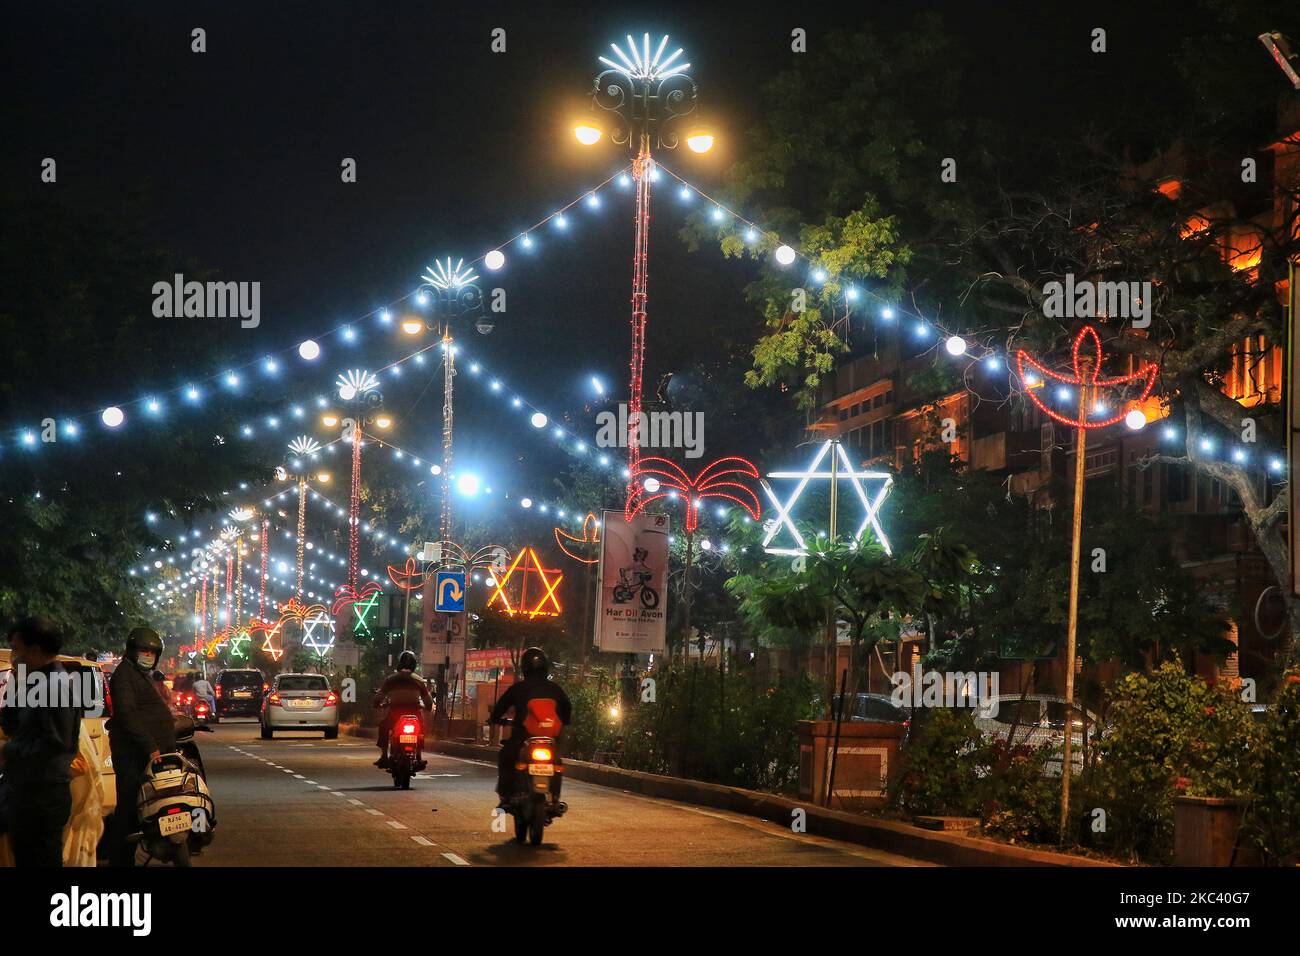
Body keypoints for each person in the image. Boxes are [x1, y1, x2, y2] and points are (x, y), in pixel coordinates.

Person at [0, 618, 81, 867]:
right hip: (26, 792)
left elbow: (54, 744)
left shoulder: (55, 687)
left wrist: (7, 749)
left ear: (34, 651)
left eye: (16, 648)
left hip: (43, 796)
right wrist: (17, 680)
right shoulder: (34, 682)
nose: (13, 655)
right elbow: (11, 724)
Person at [105, 626, 176, 867]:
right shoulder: (124, 676)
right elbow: (127, 715)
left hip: (145, 753)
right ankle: (120, 861)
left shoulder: (139, 675)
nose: (148, 656)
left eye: (152, 653)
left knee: (140, 809)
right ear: (133, 651)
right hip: (133, 756)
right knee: (128, 812)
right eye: (144, 651)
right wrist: (150, 746)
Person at [489, 647, 571, 807]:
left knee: (505, 756)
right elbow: (567, 710)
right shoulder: (556, 689)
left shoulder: (519, 688)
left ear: (524, 667)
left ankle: (505, 797)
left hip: (524, 737)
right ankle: (555, 797)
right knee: (557, 761)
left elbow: (500, 706)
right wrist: (564, 722)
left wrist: (495, 719)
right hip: (550, 738)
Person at [372, 651, 432, 768]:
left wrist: (377, 704)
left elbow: (378, 697)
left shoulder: (391, 680)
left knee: (384, 726)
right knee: (420, 731)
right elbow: (428, 702)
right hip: (414, 714)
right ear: (414, 665)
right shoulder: (419, 680)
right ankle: (419, 756)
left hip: (395, 714)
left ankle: (384, 756)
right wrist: (427, 708)